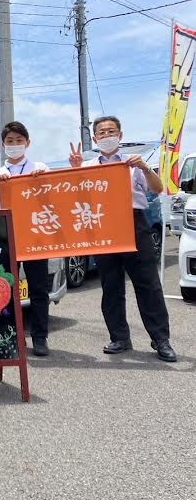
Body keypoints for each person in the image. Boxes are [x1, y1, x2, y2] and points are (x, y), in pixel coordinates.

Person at [69, 115, 176, 362]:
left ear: (120, 135)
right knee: (111, 284)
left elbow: (158, 188)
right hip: (103, 226)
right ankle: (119, 337)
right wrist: (75, 171)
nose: (107, 136)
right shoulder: (88, 166)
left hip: (133, 223)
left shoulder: (133, 163)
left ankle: (161, 339)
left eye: (111, 132)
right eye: (102, 133)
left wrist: (145, 168)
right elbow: (76, 196)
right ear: (95, 138)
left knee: (148, 284)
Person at [0, 121, 51, 356]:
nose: (14, 145)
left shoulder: (39, 167)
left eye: (19, 140)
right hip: (5, 236)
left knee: (39, 288)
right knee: (5, 288)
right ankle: (12, 336)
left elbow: (53, 201)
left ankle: (40, 337)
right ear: (3, 145)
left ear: (27, 143)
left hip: (35, 237)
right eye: (9, 141)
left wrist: (42, 180)